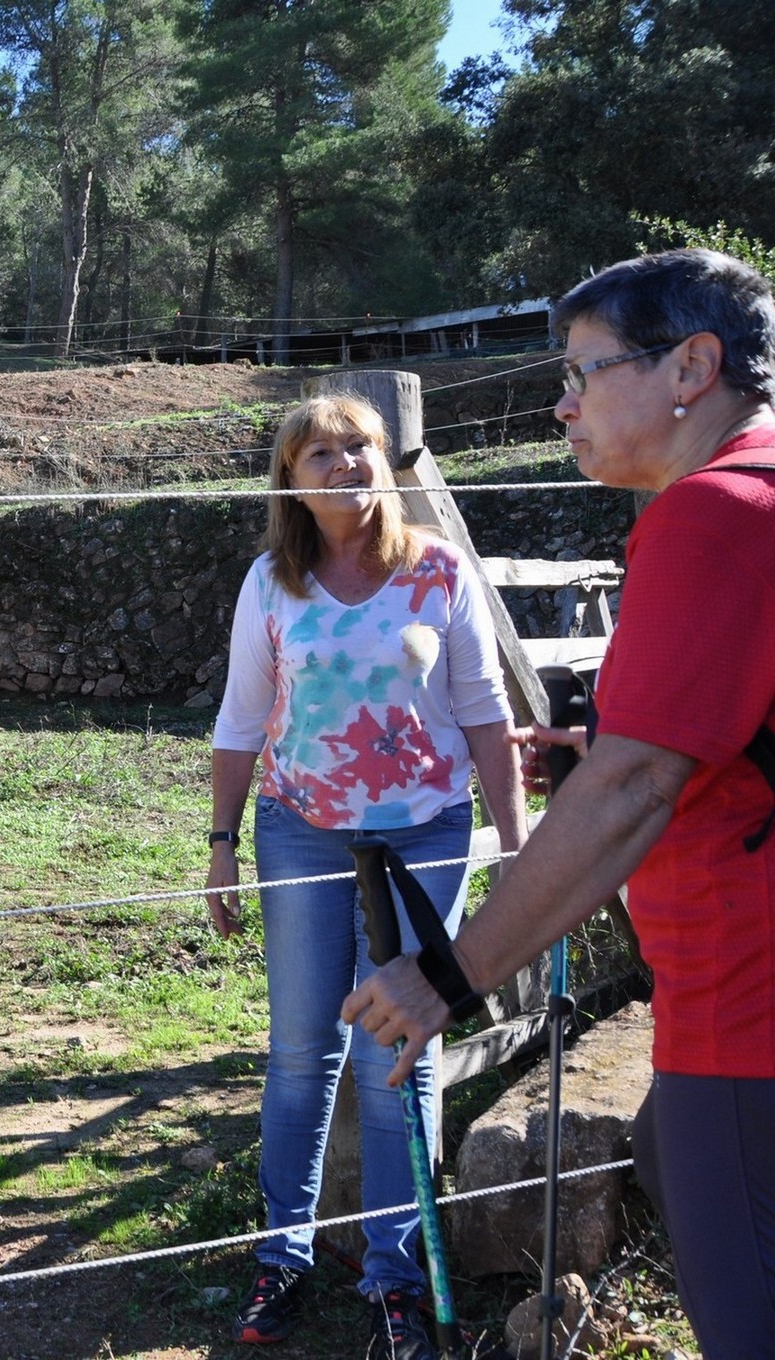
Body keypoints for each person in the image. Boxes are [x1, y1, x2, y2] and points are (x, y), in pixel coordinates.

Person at [344, 248, 775, 1360]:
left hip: (746, 1008)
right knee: (665, 1157)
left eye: (585, 371)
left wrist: (447, 976)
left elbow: (633, 792)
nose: (561, 403)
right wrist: (613, 751)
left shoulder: (712, 516)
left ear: (691, 367)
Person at [206, 393, 526, 1357]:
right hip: (299, 832)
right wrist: (221, 844)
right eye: (321, 453)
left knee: (398, 1055)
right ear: (289, 481)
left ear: (386, 460)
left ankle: (395, 1274)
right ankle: (283, 1256)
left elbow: (485, 711)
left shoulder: (438, 569)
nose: (345, 464)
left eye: (360, 447)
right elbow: (240, 720)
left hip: (423, 833)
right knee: (301, 1051)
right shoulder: (271, 582)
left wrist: (517, 848)